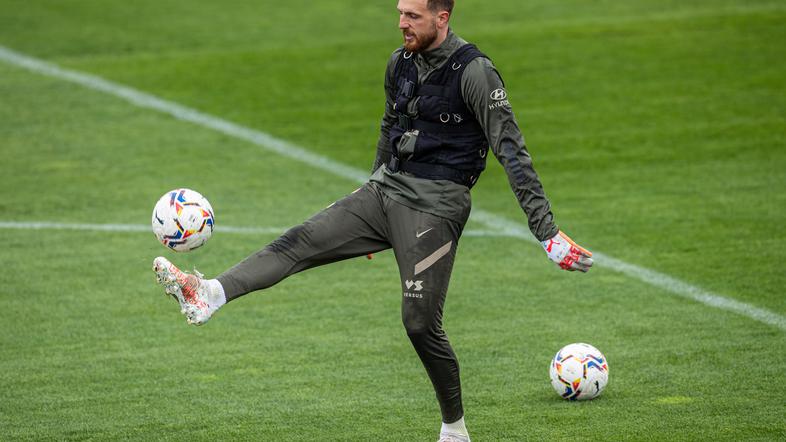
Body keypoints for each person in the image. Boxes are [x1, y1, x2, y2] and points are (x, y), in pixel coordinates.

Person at [152, 1, 593, 440]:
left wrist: (546, 232)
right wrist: (369, 197)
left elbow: (511, 150)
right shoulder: (398, 63)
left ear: (443, 17)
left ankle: (455, 431)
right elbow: (390, 127)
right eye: (400, 13)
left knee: (420, 324)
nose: (402, 23)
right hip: (383, 194)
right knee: (298, 241)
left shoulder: (475, 73)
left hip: (434, 208)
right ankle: (208, 294)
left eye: (413, 16)